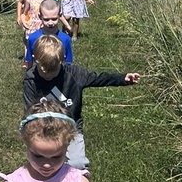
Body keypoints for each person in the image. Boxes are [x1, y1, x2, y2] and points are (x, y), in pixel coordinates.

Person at [22, 36, 140, 173]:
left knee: (77, 164)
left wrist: (122, 78)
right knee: (42, 166)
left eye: (53, 70)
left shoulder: (74, 74)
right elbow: (29, 110)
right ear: (35, 59)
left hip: (71, 128)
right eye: (44, 70)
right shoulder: (31, 80)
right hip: (43, 130)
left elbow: (98, 78)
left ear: (63, 59)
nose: (48, 75)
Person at [23, 0, 73, 66]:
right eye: (46, 19)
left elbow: (68, 63)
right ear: (40, 16)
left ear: (59, 16)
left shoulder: (65, 39)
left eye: (54, 19)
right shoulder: (33, 38)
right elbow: (29, 62)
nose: (50, 23)